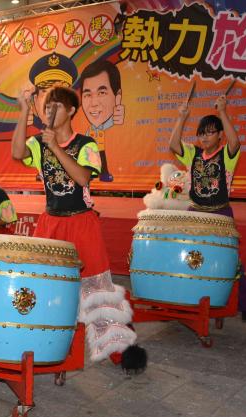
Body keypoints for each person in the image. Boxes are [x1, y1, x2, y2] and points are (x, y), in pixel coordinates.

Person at [11, 85, 146, 372]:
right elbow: (17, 151)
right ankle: (43, 344)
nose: (50, 110)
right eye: (47, 106)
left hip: (82, 223)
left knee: (97, 289)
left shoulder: (86, 144)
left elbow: (83, 178)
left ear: (71, 110)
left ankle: (119, 349)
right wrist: (23, 111)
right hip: (50, 222)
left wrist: (55, 147)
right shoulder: (38, 142)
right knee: (44, 284)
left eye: (56, 106)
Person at [169, 95, 246, 321]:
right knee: (186, 256)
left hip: (220, 213)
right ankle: (184, 300)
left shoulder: (227, 155)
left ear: (220, 135)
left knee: (230, 260)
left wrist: (223, 112)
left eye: (209, 132)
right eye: (201, 133)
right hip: (196, 212)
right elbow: (173, 145)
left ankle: (245, 305)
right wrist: (181, 117)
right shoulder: (193, 154)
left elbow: (235, 143)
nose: (204, 137)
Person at [78, 60, 125, 182]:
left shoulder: (120, 127)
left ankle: (103, 173)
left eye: (102, 93)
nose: (94, 103)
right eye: (87, 95)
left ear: (118, 96)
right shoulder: (82, 130)